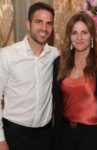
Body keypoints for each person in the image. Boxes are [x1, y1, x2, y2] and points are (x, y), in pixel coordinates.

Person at [0, 2, 59, 150]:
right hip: (14, 134)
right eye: (39, 22)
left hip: (45, 135)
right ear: (28, 24)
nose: (44, 28)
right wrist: (1, 139)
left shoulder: (55, 54)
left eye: (49, 24)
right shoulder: (7, 55)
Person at [52, 12, 97, 150]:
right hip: (64, 133)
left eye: (84, 32)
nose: (79, 38)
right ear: (69, 37)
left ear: (92, 36)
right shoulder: (59, 63)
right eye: (74, 33)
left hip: (93, 135)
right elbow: (57, 102)